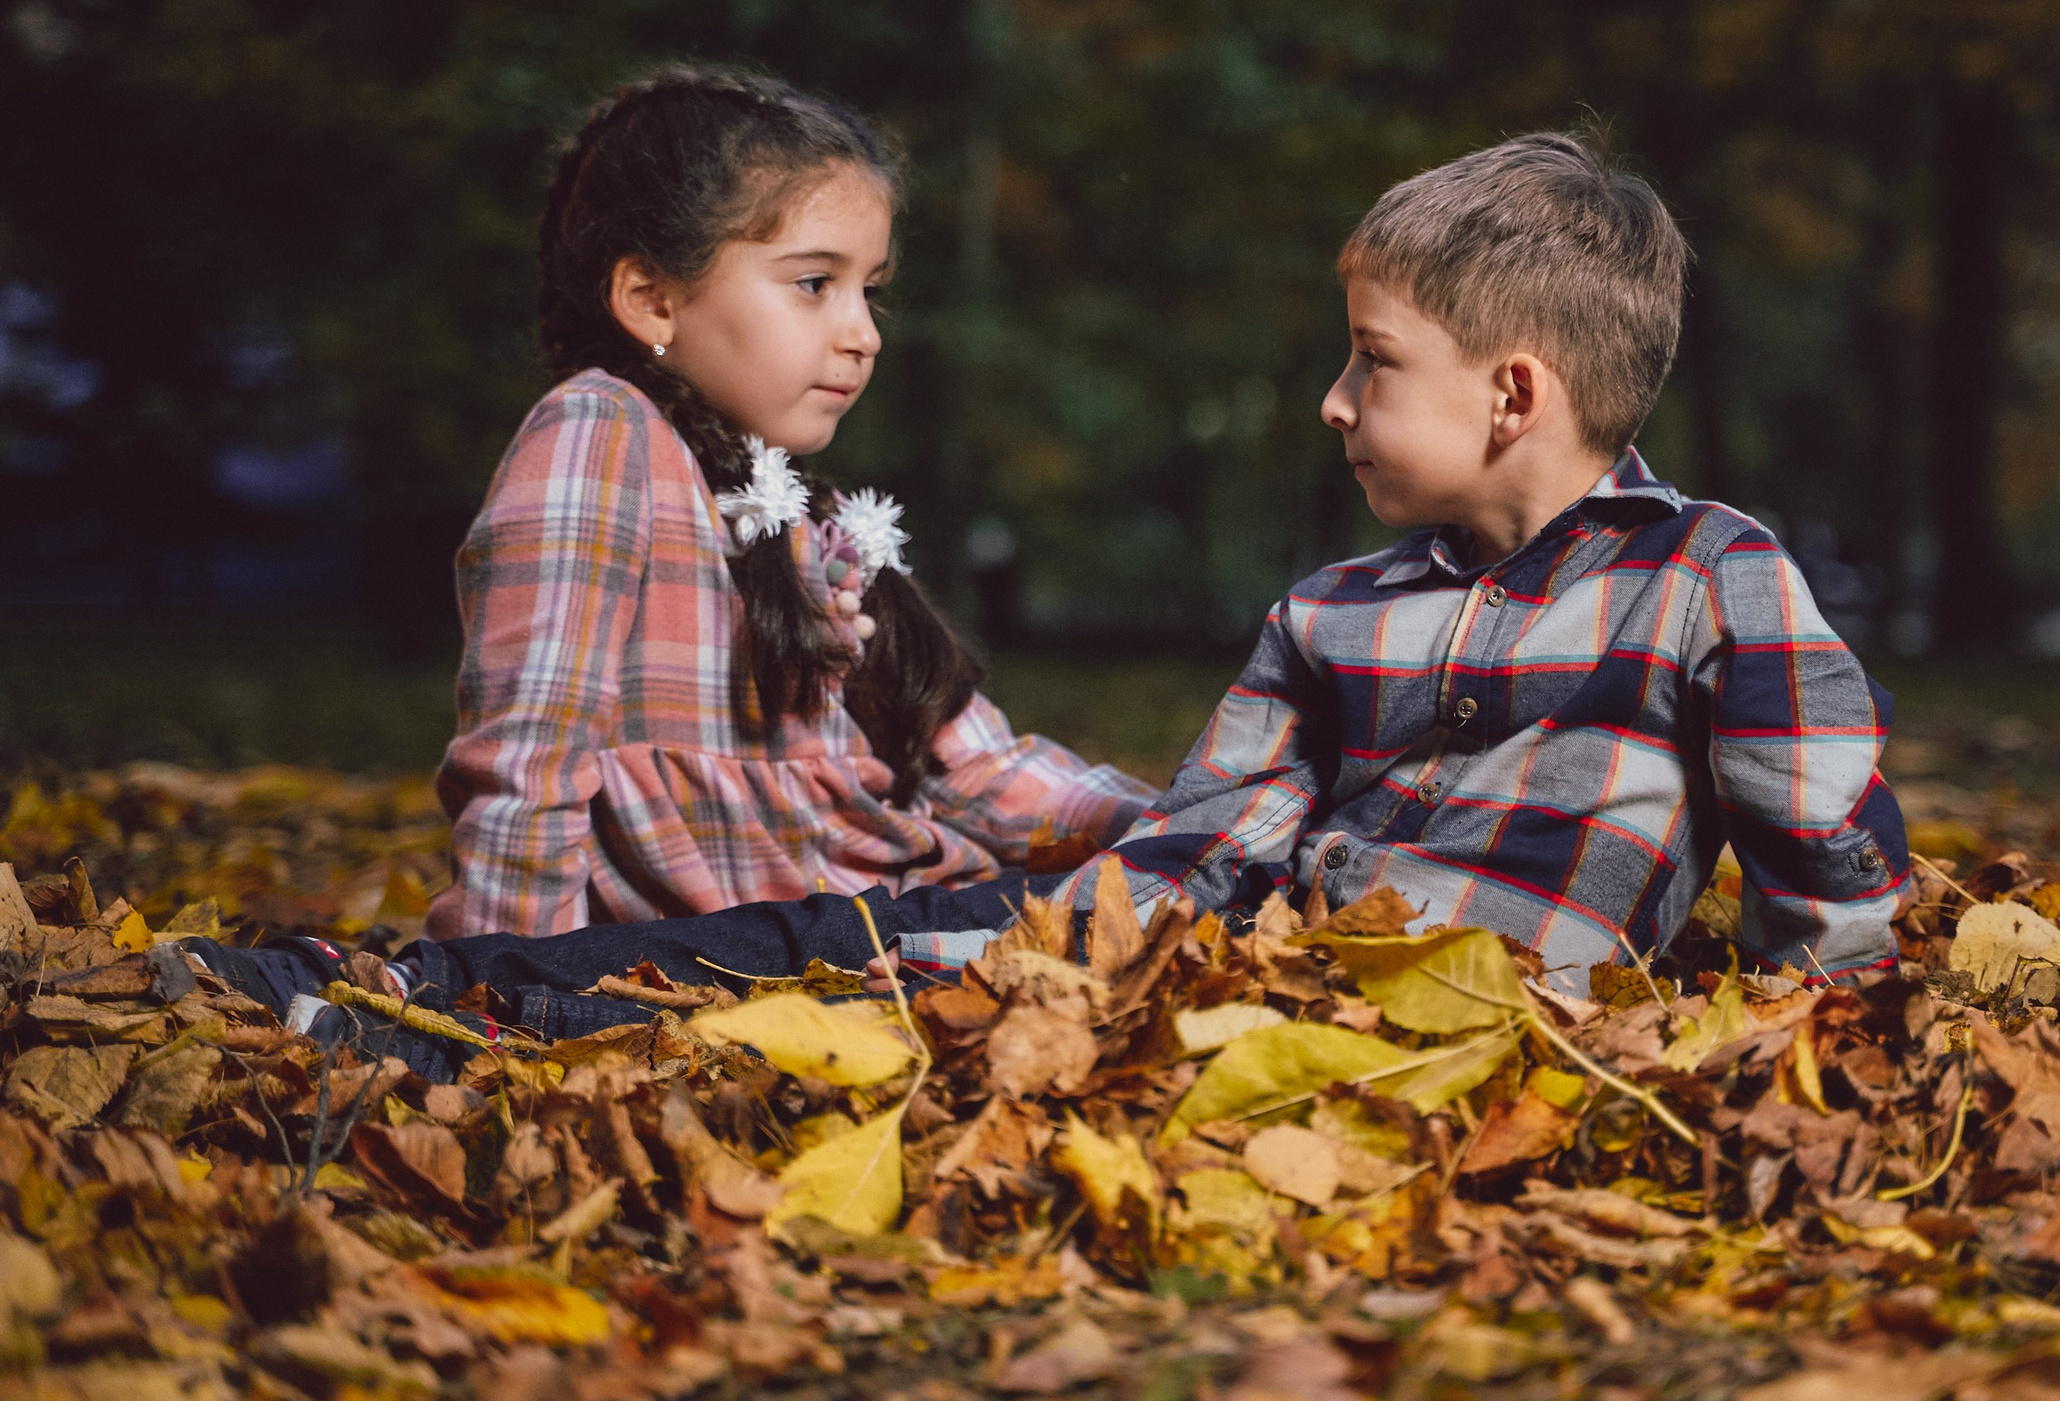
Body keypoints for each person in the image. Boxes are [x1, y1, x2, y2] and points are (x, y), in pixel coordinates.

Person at [198, 131, 1906, 1060]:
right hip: (1205, 960)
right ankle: (373, 1002)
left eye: (1370, 364)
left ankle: (420, 1012)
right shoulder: (1335, 609)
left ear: (1514, 394)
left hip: (1441, 1011)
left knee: (831, 968)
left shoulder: (1707, 576)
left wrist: (1790, 1021)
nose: (1330, 400)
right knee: (809, 955)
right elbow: (1206, 831)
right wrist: (1085, 922)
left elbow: (1821, 833)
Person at [430, 65, 1152, 939]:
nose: (865, 333)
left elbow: (971, 762)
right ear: (652, 299)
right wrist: (501, 981)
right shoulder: (599, 433)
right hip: (783, 947)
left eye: (869, 290)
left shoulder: (808, 517)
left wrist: (1172, 826)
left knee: (1168, 894)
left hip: (879, 919)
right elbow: (528, 760)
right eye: (815, 283)